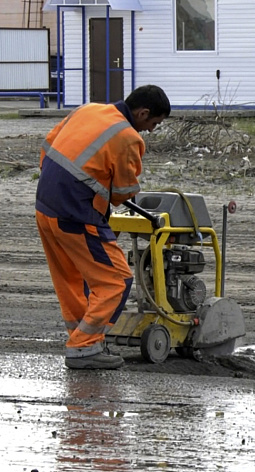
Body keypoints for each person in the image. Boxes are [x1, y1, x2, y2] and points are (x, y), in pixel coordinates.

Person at [36, 85, 171, 369]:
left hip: (46, 206)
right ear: (143, 113)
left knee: (73, 279)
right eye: (153, 124)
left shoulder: (88, 109)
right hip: (75, 213)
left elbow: (47, 149)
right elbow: (122, 192)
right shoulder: (128, 137)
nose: (151, 130)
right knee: (116, 280)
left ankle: (81, 337)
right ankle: (84, 348)